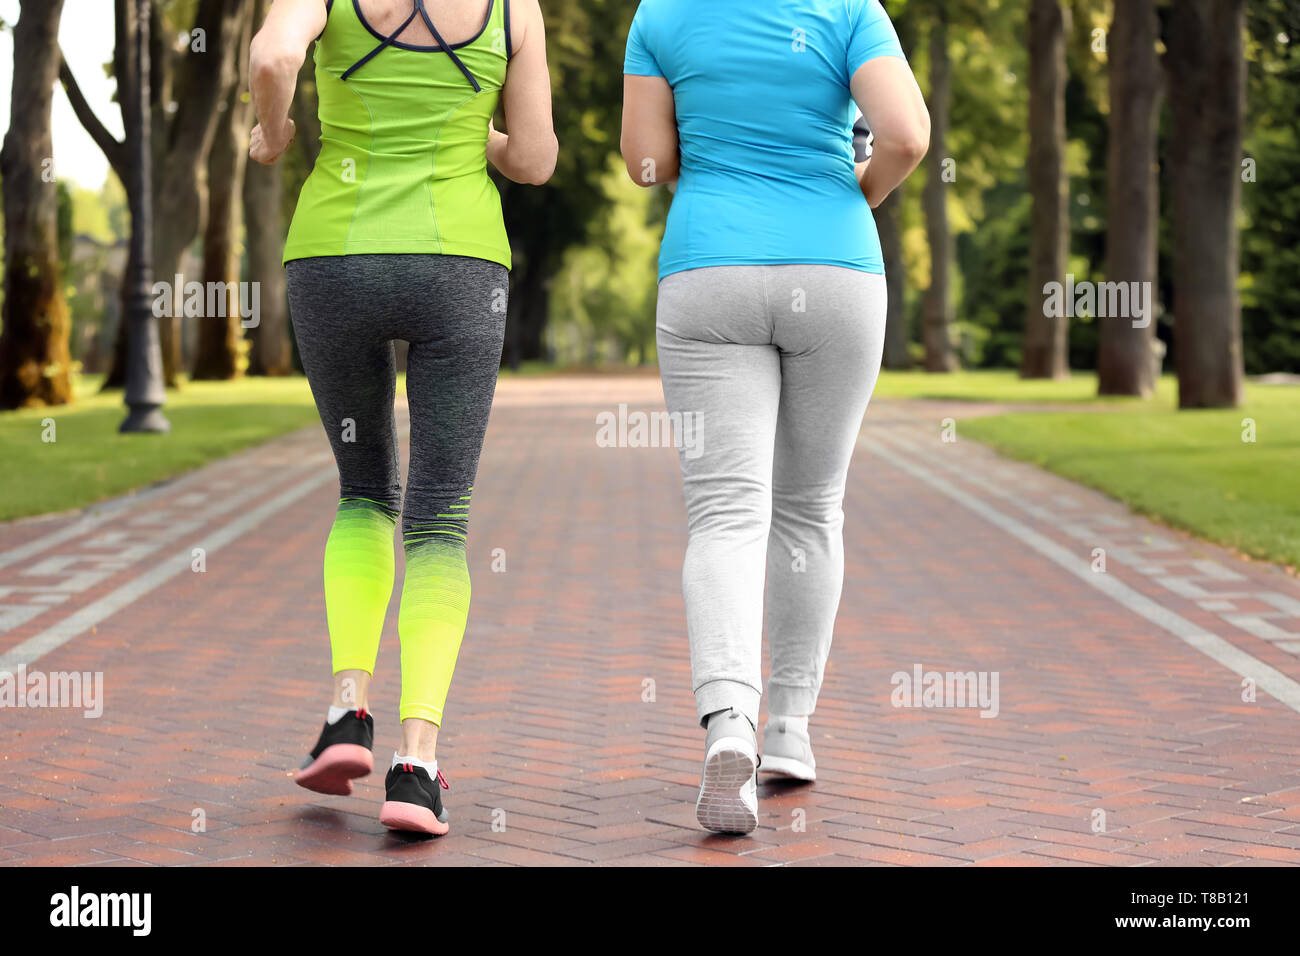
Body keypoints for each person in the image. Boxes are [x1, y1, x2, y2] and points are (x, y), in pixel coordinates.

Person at [248, 0, 556, 835]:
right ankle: (416, 766)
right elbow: (532, 159)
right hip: (459, 266)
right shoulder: (511, 7)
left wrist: (273, 136)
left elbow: (274, 61)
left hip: (335, 258)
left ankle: (348, 709)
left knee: (363, 493)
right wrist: (472, 138)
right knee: (440, 520)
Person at [621, 0, 929, 834]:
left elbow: (646, 162)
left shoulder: (661, 14)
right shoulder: (847, 8)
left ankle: (730, 725)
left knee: (725, 514)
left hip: (709, 266)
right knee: (812, 507)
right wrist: (854, 194)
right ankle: (791, 730)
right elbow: (906, 136)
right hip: (836, 268)